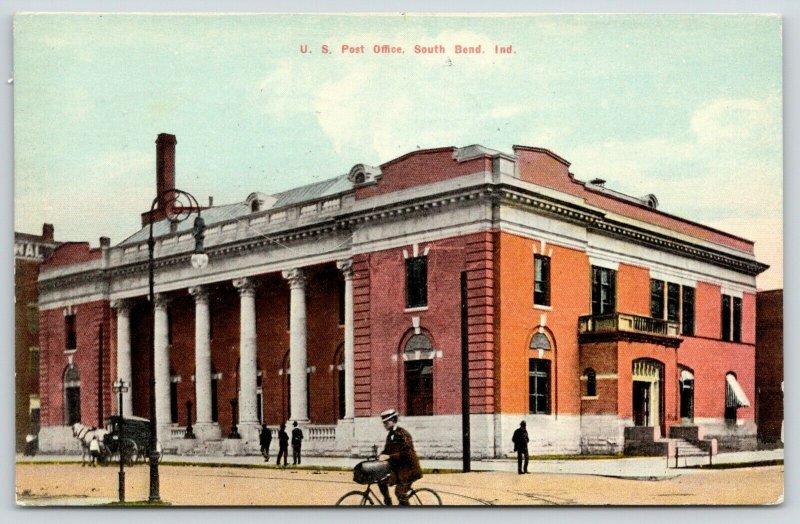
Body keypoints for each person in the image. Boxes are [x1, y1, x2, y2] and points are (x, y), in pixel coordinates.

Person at [377, 408, 422, 506]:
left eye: (386, 422)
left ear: (393, 421)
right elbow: (387, 450)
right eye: (384, 423)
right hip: (399, 470)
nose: (384, 425)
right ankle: (388, 502)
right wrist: (380, 455)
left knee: (399, 493)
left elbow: (406, 453)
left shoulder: (403, 434)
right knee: (381, 481)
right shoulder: (390, 435)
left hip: (409, 470)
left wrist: (388, 457)